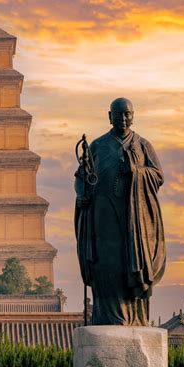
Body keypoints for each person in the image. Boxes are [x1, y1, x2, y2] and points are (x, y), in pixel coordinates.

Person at [75, 97, 165, 326]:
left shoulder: (143, 145)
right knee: (106, 266)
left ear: (133, 116)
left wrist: (135, 171)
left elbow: (158, 176)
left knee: (131, 265)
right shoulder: (98, 145)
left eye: (127, 114)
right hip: (103, 219)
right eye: (118, 114)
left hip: (134, 221)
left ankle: (135, 318)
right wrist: (83, 194)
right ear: (109, 116)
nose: (123, 119)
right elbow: (81, 177)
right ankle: (107, 318)